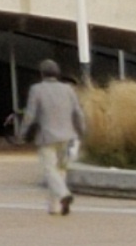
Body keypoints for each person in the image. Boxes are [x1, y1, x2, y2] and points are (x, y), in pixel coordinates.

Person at [19, 58, 86, 214]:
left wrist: (22, 133)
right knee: (61, 170)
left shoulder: (37, 89)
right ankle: (55, 207)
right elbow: (78, 113)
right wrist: (82, 131)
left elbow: (30, 115)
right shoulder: (68, 89)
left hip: (47, 137)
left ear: (41, 73)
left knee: (49, 170)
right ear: (58, 73)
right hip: (68, 136)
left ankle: (64, 195)